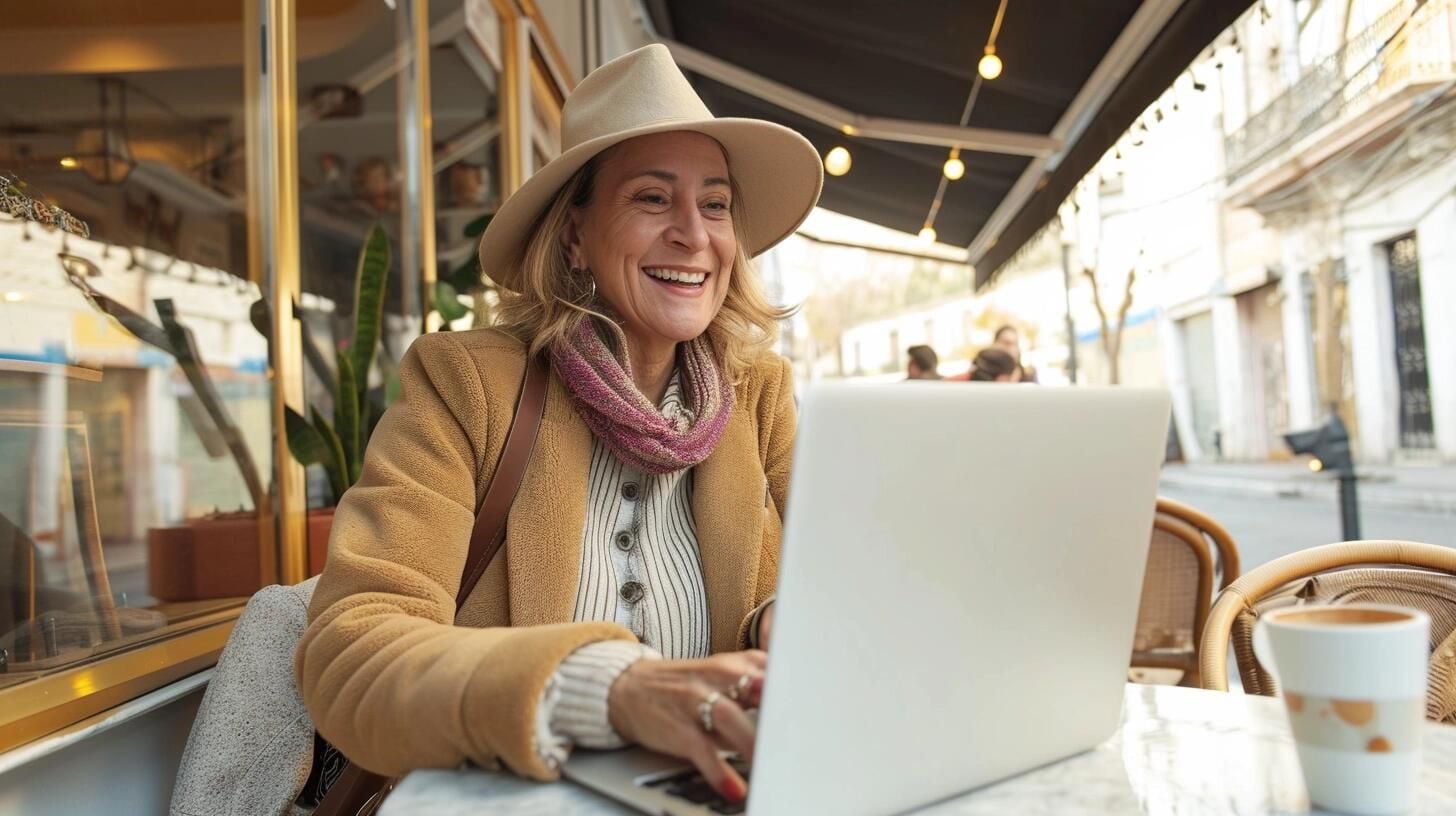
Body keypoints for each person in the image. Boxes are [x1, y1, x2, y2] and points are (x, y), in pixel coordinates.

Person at [294, 44, 822, 805]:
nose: (693, 234)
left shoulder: (760, 394)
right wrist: (607, 688)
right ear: (574, 234)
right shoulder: (465, 383)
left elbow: (829, 580)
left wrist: (786, 622)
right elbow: (350, 653)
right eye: (651, 198)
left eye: (714, 203)